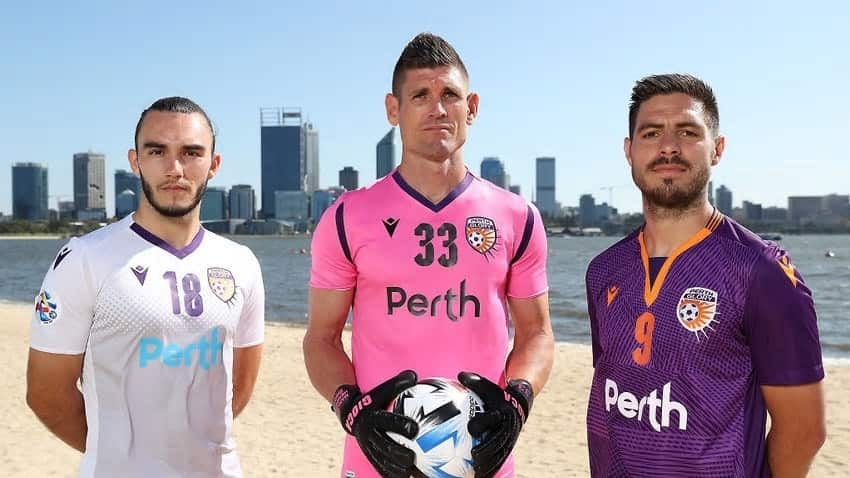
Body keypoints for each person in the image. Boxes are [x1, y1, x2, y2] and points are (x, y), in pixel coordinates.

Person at [303, 33, 554, 478]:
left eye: (450, 95)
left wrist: (517, 401)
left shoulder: (518, 217)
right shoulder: (347, 217)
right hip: (377, 461)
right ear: (393, 109)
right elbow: (321, 338)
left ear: (472, 107)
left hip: (484, 459)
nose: (437, 109)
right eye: (420, 95)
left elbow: (536, 334)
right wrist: (353, 412)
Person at [584, 74, 826, 477]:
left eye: (687, 131)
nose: (668, 146)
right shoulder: (603, 270)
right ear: (629, 151)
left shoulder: (761, 271)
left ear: (717, 148)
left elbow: (804, 431)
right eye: (651, 133)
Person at [26, 97, 265, 477]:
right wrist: (120, 452)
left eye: (191, 152)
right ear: (135, 161)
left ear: (213, 165)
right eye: (157, 151)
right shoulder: (85, 257)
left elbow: (239, 384)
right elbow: (47, 395)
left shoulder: (241, 263)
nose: (174, 168)